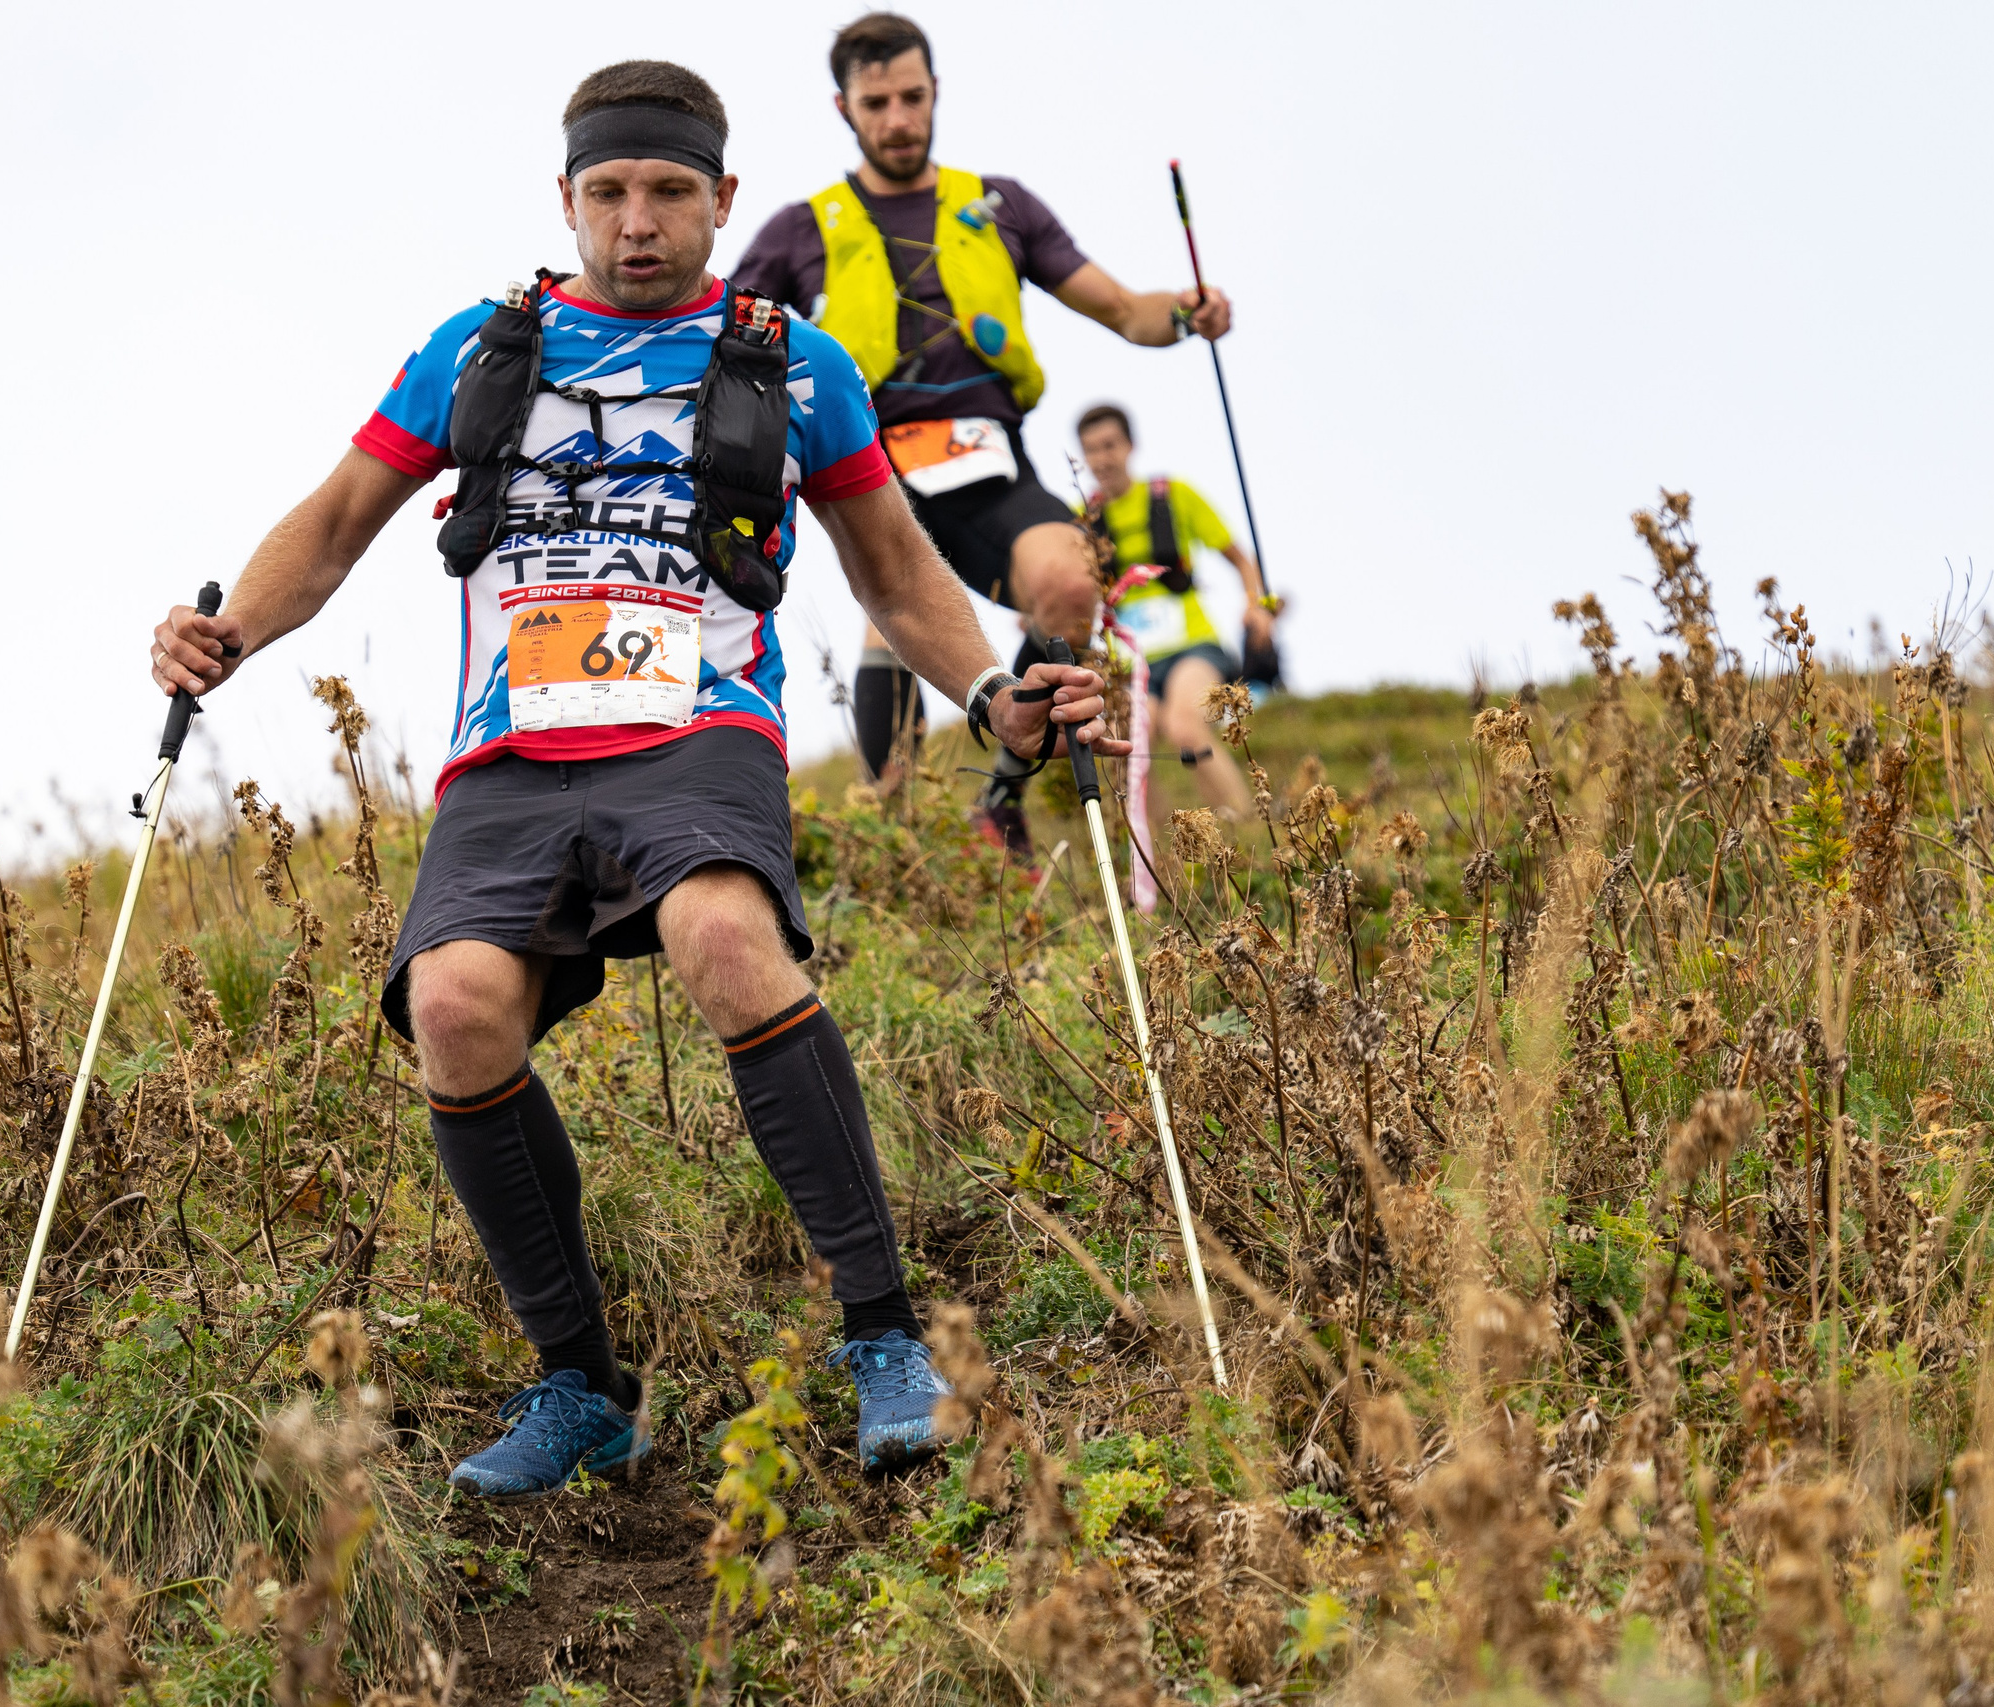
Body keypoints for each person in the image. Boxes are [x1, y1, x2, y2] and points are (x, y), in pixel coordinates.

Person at [147, 60, 1124, 1495]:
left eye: (670, 190)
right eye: (608, 192)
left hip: (696, 728)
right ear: (567, 199)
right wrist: (230, 633)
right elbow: (343, 516)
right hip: (511, 751)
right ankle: (582, 1383)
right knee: (455, 1007)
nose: (639, 220)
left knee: (725, 937)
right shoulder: (481, 353)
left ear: (725, 200)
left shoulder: (796, 363)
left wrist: (990, 693)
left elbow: (898, 574)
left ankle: (884, 1338)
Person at [731, 11, 1232, 852]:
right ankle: (899, 835)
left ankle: (1000, 796)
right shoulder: (800, 229)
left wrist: (1187, 313)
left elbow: (1121, 309)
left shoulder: (1000, 205)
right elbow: (723, 335)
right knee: (888, 618)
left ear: (936, 93)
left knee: (1073, 583)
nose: (898, 119)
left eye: (913, 97)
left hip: (993, 459)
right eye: (878, 101)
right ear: (843, 107)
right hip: (873, 460)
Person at [1074, 403, 1276, 821]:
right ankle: (1162, 858)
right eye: (1091, 449)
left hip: (1191, 647)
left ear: (1130, 446)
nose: (1101, 459)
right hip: (1130, 663)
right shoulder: (1081, 521)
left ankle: (1245, 825)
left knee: (1185, 725)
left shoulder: (1174, 495)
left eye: (1110, 445)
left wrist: (1255, 607)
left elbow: (1241, 559)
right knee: (1130, 740)